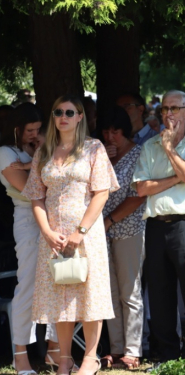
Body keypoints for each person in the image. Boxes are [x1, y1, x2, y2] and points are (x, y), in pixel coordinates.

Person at [23, 94, 119, 375]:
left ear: (80, 117)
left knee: (89, 296)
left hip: (85, 234)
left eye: (69, 112)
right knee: (60, 297)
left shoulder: (93, 148)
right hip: (54, 236)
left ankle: (90, 358)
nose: (63, 116)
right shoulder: (44, 151)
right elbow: (36, 198)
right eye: (57, 112)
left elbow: (101, 193)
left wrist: (81, 231)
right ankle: (64, 359)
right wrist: (47, 232)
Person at [132, 90, 185, 364]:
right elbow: (142, 187)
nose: (168, 114)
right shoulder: (148, 146)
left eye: (174, 108)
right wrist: (177, 177)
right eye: (164, 108)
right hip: (156, 226)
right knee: (160, 294)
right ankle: (166, 356)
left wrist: (169, 149)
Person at [0, 103, 60, 375]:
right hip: (27, 219)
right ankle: (20, 354)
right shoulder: (5, 153)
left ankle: (56, 348)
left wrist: (37, 156)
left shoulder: (37, 152)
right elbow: (30, 189)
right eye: (29, 130)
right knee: (28, 286)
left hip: (55, 216)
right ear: (16, 130)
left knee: (59, 282)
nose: (35, 135)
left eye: (39, 130)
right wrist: (41, 158)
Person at [99, 106, 146, 370]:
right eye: (106, 131)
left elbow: (138, 195)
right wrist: (103, 160)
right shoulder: (100, 154)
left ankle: (133, 350)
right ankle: (115, 349)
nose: (110, 136)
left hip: (129, 228)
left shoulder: (139, 153)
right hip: (101, 231)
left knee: (130, 290)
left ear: (124, 130)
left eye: (115, 131)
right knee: (109, 292)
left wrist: (109, 221)